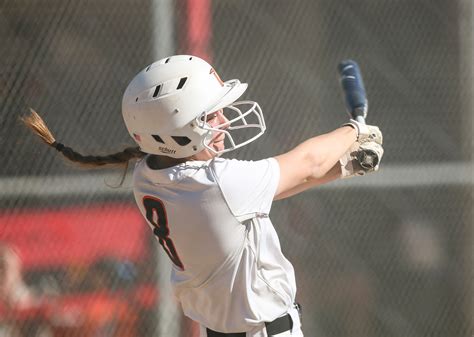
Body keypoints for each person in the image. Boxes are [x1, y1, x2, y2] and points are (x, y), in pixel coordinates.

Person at [22, 55, 383, 337]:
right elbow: (307, 161)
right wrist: (355, 129)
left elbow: (284, 184)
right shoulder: (218, 183)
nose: (223, 122)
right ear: (174, 135)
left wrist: (346, 166)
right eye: (209, 116)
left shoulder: (149, 176)